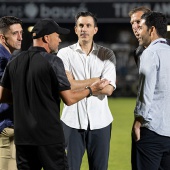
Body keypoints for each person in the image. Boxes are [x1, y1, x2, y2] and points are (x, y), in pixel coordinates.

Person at [0, 18, 110, 170]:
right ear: (46, 38)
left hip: (23, 138)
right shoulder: (53, 61)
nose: (59, 39)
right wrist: (92, 90)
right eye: (57, 35)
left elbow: (2, 96)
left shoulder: (14, 61)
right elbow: (69, 99)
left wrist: (26, 97)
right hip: (49, 138)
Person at [57, 11, 116, 170]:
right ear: (75, 29)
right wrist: (96, 81)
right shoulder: (64, 54)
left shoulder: (107, 54)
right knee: (69, 167)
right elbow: (66, 86)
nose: (84, 29)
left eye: (88, 25)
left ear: (95, 30)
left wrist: (75, 82)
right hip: (71, 123)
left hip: (101, 123)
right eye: (81, 25)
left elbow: (109, 89)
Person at [129, 7, 170, 170]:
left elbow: (145, 92)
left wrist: (138, 121)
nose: (139, 31)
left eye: (141, 27)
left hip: (151, 130)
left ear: (151, 29)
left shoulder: (150, 53)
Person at [0, 16, 23, 170]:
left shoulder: (8, 57)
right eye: (15, 33)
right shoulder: (2, 58)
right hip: (5, 127)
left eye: (21, 32)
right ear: (3, 37)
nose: (20, 37)